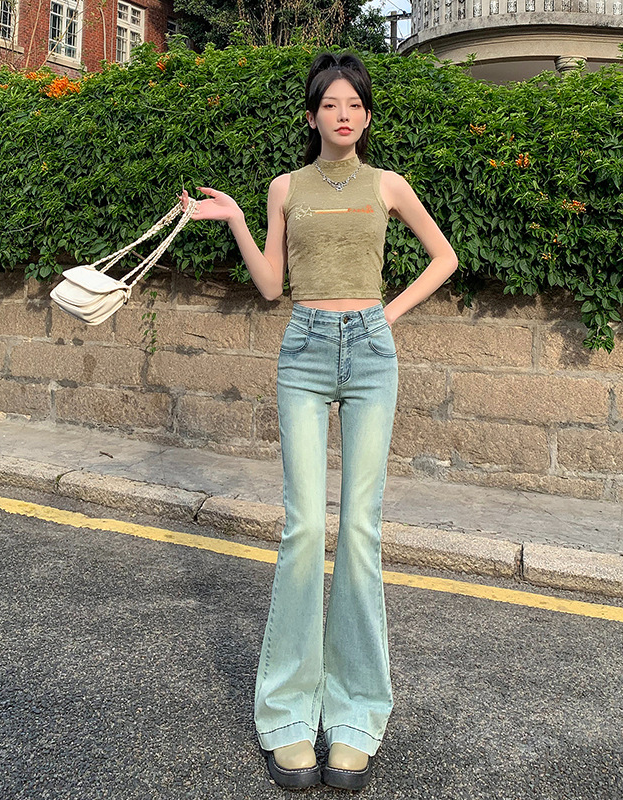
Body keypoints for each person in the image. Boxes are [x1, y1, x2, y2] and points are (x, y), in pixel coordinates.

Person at [180, 51, 458, 791]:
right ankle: (287, 717)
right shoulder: (286, 187)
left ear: (366, 115)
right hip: (303, 349)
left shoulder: (388, 185)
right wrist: (238, 220)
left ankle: (357, 717)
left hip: (370, 352)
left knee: (360, 530)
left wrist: (385, 318)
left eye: (355, 104)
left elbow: (444, 257)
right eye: (331, 104)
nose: (344, 114)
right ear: (312, 116)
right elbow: (272, 287)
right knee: (304, 527)